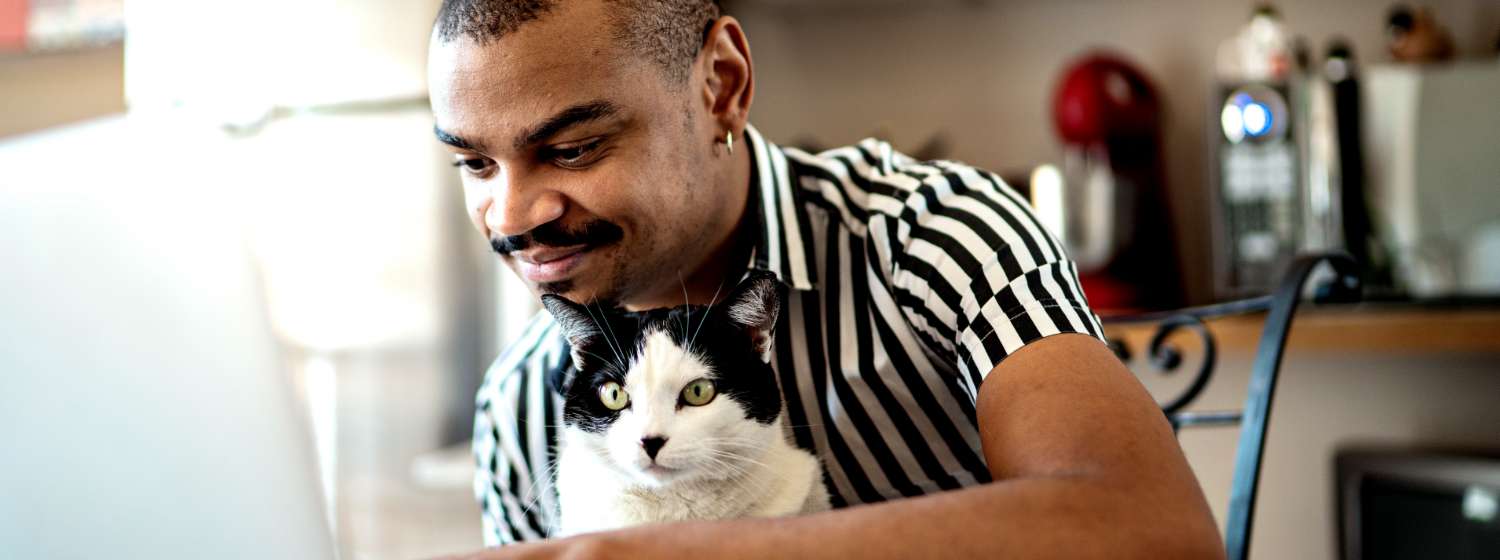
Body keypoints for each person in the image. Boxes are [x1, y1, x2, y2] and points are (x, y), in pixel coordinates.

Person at [426, 0, 1223, 557]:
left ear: (722, 87)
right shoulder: (520, 407)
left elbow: (1154, 532)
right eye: (474, 163)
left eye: (573, 150)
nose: (511, 214)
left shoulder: (933, 238)